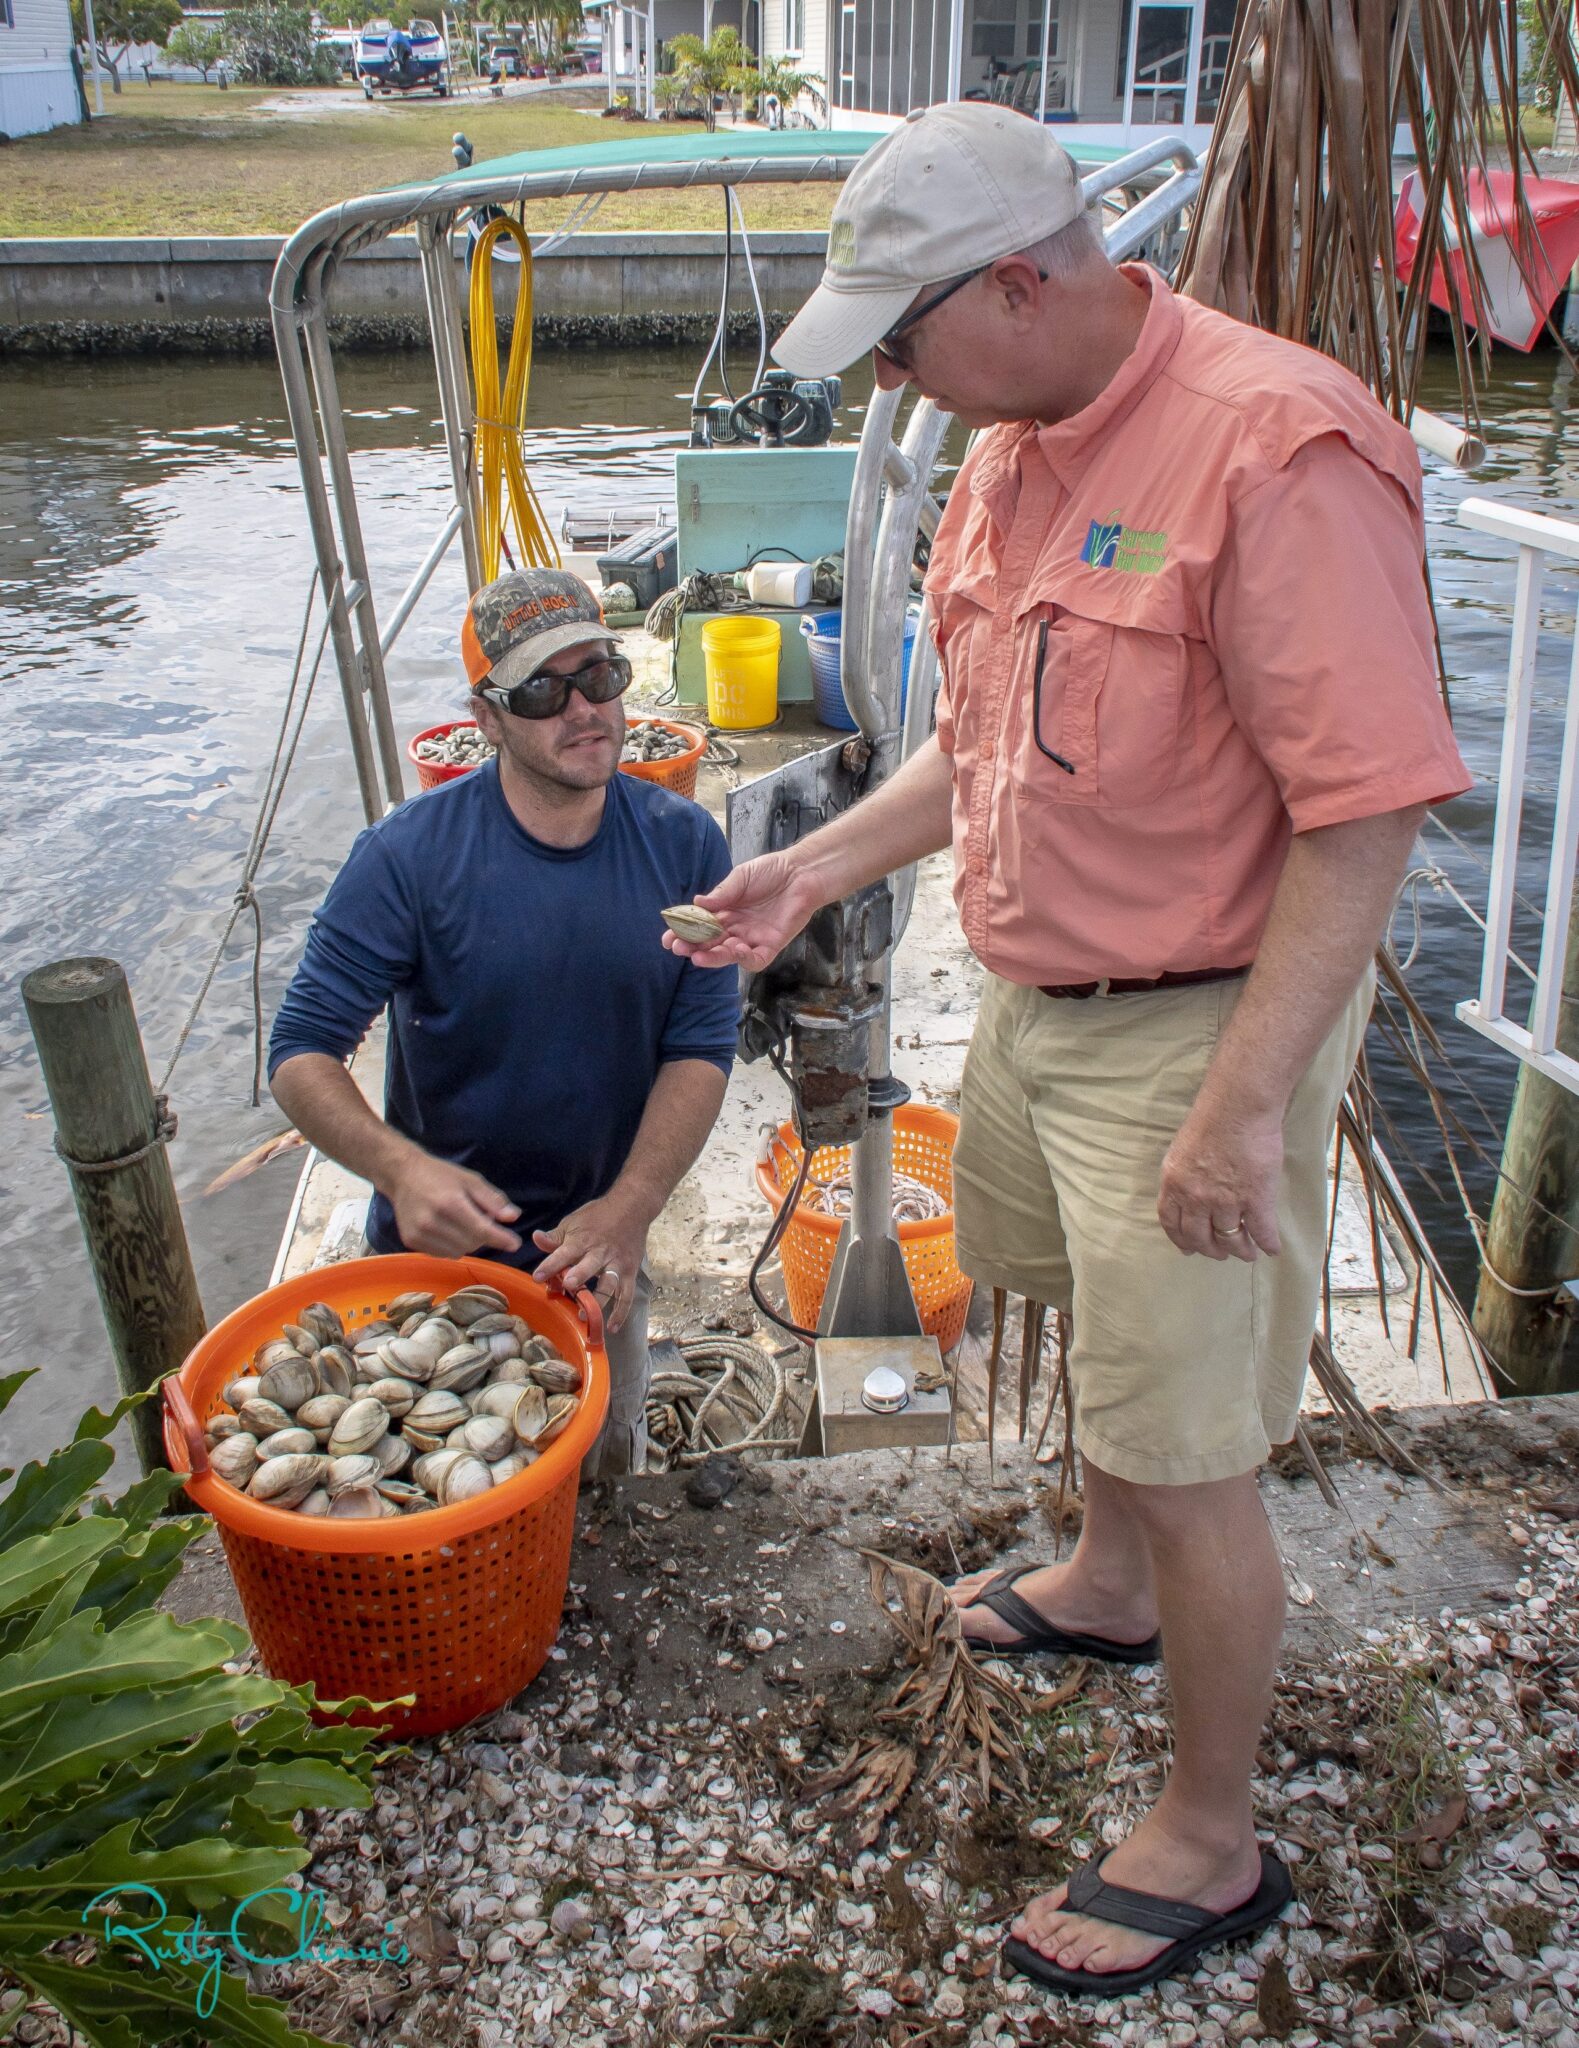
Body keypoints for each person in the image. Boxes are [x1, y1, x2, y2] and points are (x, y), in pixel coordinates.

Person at [665, 104, 1471, 1995]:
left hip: (1198, 1019)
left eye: (896, 333)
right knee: (1088, 1342)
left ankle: (1208, 1834)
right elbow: (987, 744)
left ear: (1019, 281)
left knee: (1192, 1448)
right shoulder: (1009, 444)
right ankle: (1102, 1588)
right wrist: (809, 865)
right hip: (1040, 995)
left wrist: (1240, 1106)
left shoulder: (1273, 444)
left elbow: (1364, 811)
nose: (882, 373)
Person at [270, 568, 737, 1478]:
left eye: (598, 675)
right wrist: (401, 1170)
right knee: (441, 1496)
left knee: (602, 1482)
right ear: (485, 719)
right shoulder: (405, 860)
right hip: (437, 1267)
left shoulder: (684, 841)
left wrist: (630, 1210)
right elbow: (300, 1052)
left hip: (596, 1255)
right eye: (540, 690)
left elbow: (701, 1043)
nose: (583, 709)